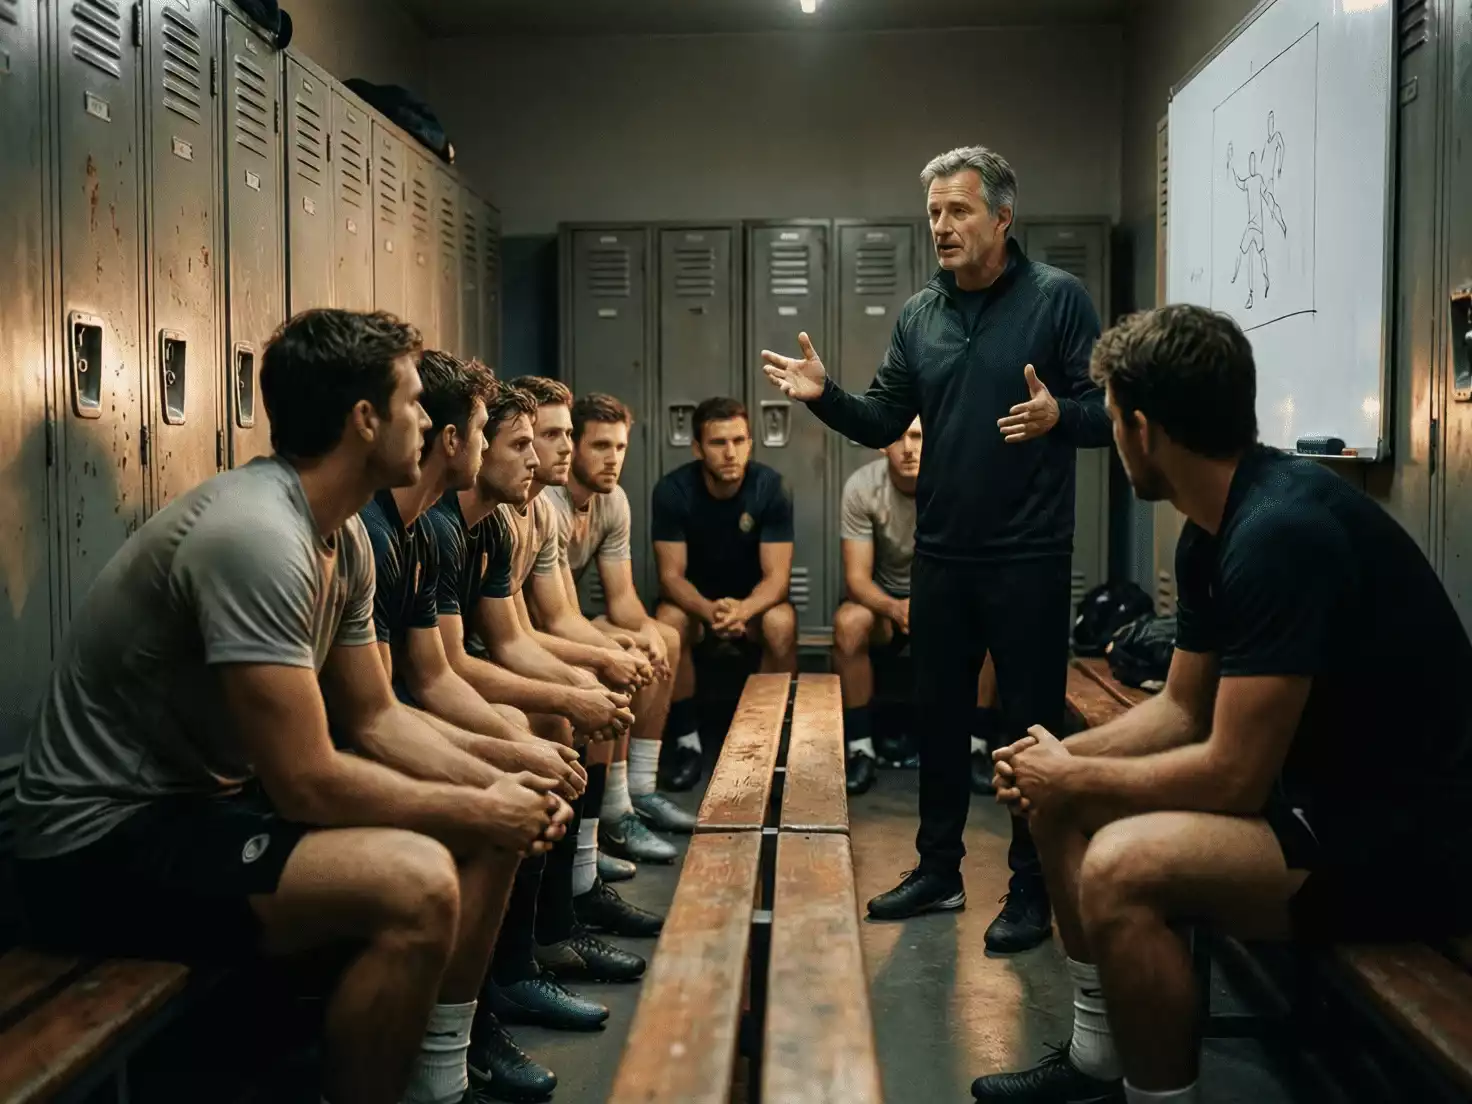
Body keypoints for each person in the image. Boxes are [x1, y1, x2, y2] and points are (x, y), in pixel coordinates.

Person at [13, 309, 573, 1104]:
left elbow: (380, 717)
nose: (427, 420)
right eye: (413, 401)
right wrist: (483, 804)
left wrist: (500, 780)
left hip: (200, 813)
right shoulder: (258, 536)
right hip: (100, 843)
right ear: (364, 419)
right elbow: (309, 780)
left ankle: (438, 1077)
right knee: (417, 881)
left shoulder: (340, 540)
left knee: (475, 837)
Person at [975, 304, 1472, 1104]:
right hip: (1318, 806)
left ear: (1143, 428)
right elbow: (1180, 709)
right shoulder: (1211, 527)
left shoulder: (1281, 534)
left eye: (1110, 418)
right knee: (1055, 800)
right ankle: (1101, 1057)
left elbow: (1232, 778)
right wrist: (1055, 763)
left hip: (1412, 840)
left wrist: (1074, 776)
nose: (1111, 435)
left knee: (1121, 868)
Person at [761, 145, 1114, 947]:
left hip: (1028, 552)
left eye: (958, 211)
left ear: (1002, 216)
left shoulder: (1059, 300)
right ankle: (938, 870)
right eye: (933, 214)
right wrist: (825, 398)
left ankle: (1031, 887)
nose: (942, 227)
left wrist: (1063, 415)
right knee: (940, 717)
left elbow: (1104, 412)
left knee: (1027, 726)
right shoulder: (921, 313)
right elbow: (885, 418)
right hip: (943, 556)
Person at [358, 351, 614, 1101]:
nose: (542, 456)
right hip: (335, 757)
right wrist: (502, 762)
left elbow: (451, 668)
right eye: (520, 440)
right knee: (510, 778)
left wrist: (536, 728)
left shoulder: (451, 530)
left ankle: (518, 968)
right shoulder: (396, 531)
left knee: (536, 731)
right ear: (452, 440)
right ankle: (460, 1041)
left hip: (387, 725)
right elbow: (390, 704)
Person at [427, 385, 664, 956]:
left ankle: (570, 899)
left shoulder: (496, 525)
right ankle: (534, 946)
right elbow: (448, 668)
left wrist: (587, 676)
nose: (540, 457)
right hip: (434, 698)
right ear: (465, 444)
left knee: (583, 693)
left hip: (461, 677)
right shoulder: (436, 528)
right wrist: (564, 697)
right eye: (530, 441)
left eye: (552, 438)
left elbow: (518, 637)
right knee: (550, 721)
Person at [542, 391, 696, 834]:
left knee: (663, 637)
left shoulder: (613, 501)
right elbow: (553, 615)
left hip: (570, 616)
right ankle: (612, 807)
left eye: (621, 447)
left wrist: (647, 630)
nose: (613, 459)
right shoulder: (548, 503)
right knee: (618, 653)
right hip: (541, 624)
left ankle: (639, 790)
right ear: (573, 448)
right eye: (600, 446)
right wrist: (617, 644)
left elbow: (622, 599)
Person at [833, 416, 1002, 797]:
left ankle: (976, 745)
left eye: (917, 436)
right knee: (848, 623)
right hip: (886, 605)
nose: (908, 448)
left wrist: (934, 606)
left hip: (944, 599)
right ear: (881, 444)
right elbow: (857, 580)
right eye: (897, 437)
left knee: (991, 621)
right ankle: (860, 748)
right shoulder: (862, 488)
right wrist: (895, 608)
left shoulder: (958, 483)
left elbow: (974, 567)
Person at [651, 396, 799, 792]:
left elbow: (777, 579)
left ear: (751, 442)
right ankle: (685, 741)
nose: (730, 453)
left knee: (781, 622)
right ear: (698, 448)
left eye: (739, 440)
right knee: (669, 622)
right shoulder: (673, 492)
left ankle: (767, 738)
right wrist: (709, 609)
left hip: (752, 606)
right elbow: (670, 577)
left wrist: (744, 610)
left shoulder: (771, 488)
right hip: (698, 607)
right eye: (718, 443)